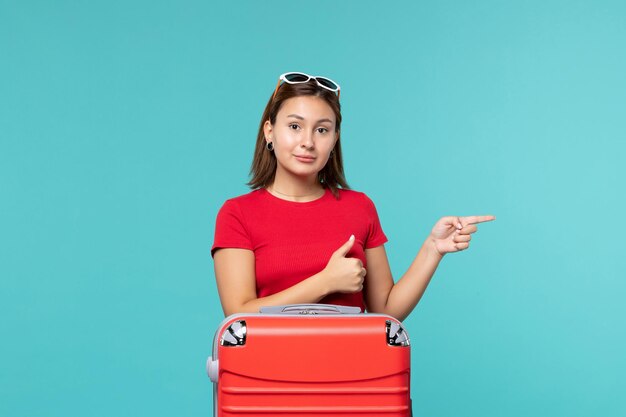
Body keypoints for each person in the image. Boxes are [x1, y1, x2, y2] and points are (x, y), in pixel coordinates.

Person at [211, 72, 495, 321]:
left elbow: (385, 311)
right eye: (295, 126)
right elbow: (238, 316)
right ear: (269, 131)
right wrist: (325, 282)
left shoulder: (359, 207)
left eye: (322, 130)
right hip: (267, 376)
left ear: (334, 139)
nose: (308, 142)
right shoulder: (238, 213)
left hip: (352, 374)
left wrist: (433, 248)